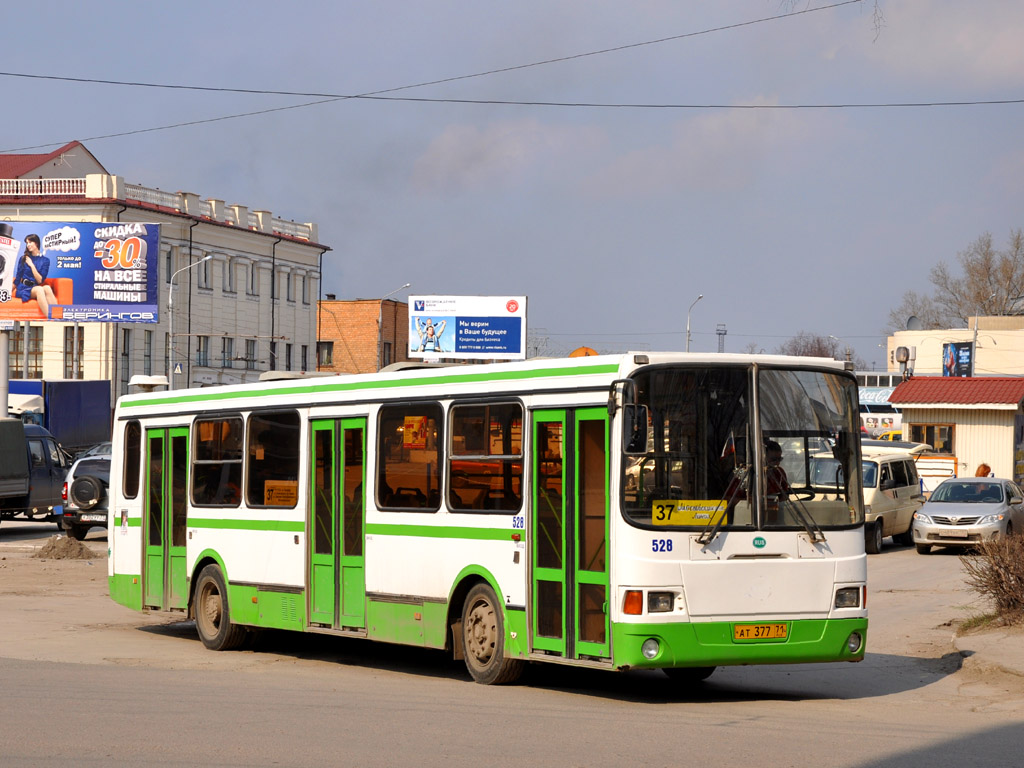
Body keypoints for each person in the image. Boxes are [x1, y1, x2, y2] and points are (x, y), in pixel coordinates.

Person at [14, 234, 58, 318]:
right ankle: (50, 319)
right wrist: (7, 292)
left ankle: (58, 316)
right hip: (23, 288)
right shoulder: (23, 258)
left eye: (30, 242)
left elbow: (39, 280)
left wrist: (31, 265)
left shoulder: (45, 260)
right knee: (40, 289)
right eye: (27, 243)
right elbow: (18, 278)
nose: (28, 245)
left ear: (37, 243)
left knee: (47, 288)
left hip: (34, 286)